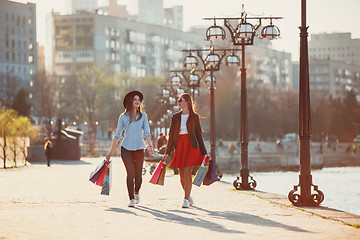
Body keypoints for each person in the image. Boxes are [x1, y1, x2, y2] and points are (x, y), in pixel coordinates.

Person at [106, 90, 153, 208]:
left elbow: (147, 132)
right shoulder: (123, 117)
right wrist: (111, 151)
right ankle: (131, 198)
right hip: (126, 148)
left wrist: (150, 145)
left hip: (139, 149)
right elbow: (117, 134)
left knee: (138, 175)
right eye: (135, 99)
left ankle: (137, 191)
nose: (137, 101)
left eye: (139, 100)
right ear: (130, 101)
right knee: (130, 173)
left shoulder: (143, 116)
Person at [162, 93, 209, 208]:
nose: (178, 102)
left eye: (180, 100)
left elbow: (199, 135)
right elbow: (171, 135)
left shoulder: (194, 117)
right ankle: (188, 195)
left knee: (188, 172)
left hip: (191, 146)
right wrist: (167, 152)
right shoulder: (175, 117)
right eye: (178, 100)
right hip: (179, 146)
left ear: (187, 102)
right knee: (181, 174)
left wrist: (204, 153)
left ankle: (185, 200)